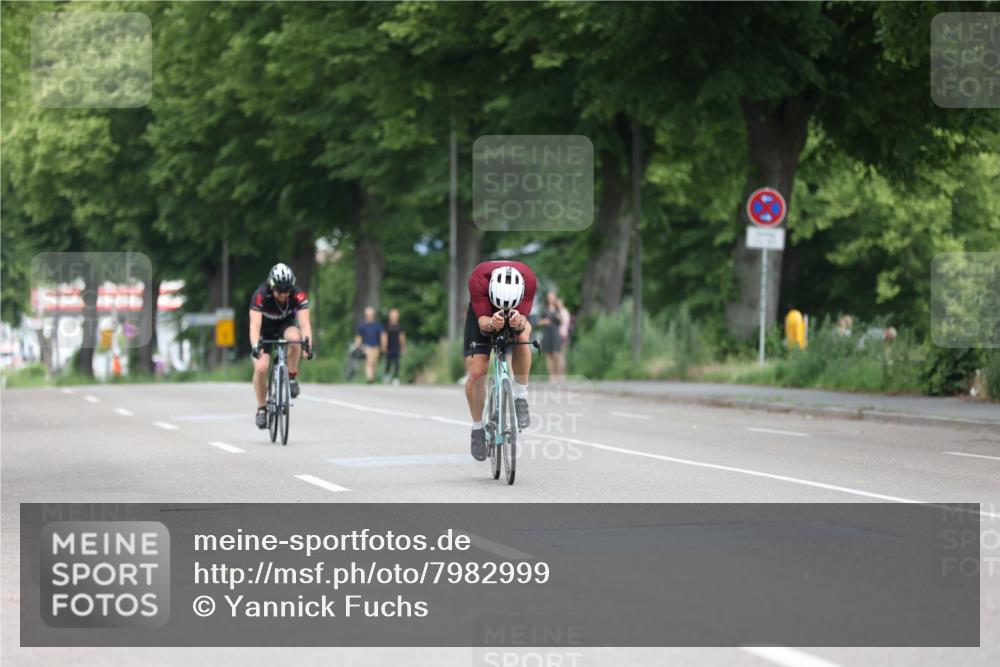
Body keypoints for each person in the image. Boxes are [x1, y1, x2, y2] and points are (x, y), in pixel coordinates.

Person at [464, 260, 537, 461]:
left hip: (517, 308)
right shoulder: (478, 280)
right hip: (484, 312)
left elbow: (524, 325)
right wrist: (491, 321)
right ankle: (478, 428)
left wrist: (520, 321)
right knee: (478, 371)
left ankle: (520, 396)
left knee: (522, 338)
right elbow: (481, 322)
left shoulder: (528, 280)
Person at [249, 263, 312, 429]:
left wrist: (308, 345)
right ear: (271, 286)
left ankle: (291, 377)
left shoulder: (298, 294)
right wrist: (256, 345)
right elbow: (255, 324)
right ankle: (261, 409)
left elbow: (305, 323)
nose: (283, 295)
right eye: (279, 291)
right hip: (265, 330)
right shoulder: (261, 294)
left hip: (285, 325)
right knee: (261, 367)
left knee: (295, 339)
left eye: (287, 291)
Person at [538, 290, 565, 382]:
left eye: (552, 296)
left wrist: (559, 313)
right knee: (549, 355)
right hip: (547, 333)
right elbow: (539, 321)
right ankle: (552, 376)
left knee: (557, 354)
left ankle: (558, 374)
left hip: (555, 333)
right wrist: (544, 321)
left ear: (555, 298)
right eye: (549, 297)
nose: (551, 298)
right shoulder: (544, 309)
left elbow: (562, 322)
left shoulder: (558, 309)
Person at [354, 307, 384, 384]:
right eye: (368, 315)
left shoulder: (377, 325)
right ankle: (369, 379)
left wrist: (383, 344)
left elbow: (382, 335)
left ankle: (372, 378)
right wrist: (357, 345)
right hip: (366, 346)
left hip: (376, 346)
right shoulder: (362, 325)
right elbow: (359, 336)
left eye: (370, 315)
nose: (369, 316)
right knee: (369, 361)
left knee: (374, 363)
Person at [381, 308, 407, 385]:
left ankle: (396, 378)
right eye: (392, 316)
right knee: (388, 362)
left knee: (397, 363)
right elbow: (384, 336)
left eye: (395, 316)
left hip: (397, 347)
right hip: (389, 347)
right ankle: (386, 376)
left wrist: (403, 346)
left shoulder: (400, 326)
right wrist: (383, 346)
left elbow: (402, 337)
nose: (394, 317)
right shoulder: (387, 325)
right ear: (390, 316)